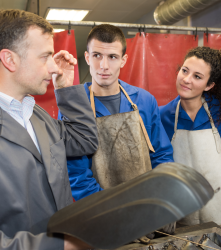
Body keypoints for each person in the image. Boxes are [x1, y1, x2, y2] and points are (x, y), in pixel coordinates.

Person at [0, 9, 98, 250]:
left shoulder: (36, 115)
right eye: (45, 57)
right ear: (9, 59)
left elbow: (85, 140)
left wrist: (65, 88)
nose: (54, 68)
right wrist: (57, 246)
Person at [58, 24, 174, 201]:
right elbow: (75, 172)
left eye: (112, 57)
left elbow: (161, 155)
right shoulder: (74, 105)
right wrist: (110, 208)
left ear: (123, 60)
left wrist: (157, 195)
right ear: (87, 57)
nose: (104, 66)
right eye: (97, 56)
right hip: (98, 210)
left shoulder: (144, 100)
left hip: (147, 203)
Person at [160, 46, 221, 226]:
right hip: (183, 219)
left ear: (209, 85)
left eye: (197, 76)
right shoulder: (163, 116)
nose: (186, 80)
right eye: (185, 71)